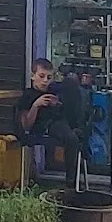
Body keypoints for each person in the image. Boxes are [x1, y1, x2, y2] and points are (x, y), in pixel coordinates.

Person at [15, 58, 83, 188]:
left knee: (71, 85)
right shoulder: (27, 95)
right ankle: (71, 182)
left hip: (58, 123)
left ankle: (72, 180)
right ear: (33, 76)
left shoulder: (53, 91)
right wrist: (36, 105)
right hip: (40, 127)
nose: (45, 80)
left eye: (49, 77)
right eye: (41, 76)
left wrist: (58, 104)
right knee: (71, 138)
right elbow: (26, 126)